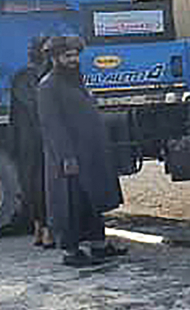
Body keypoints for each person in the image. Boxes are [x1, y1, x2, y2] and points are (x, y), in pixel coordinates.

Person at [38, 36, 126, 266]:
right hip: (68, 157)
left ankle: (99, 245)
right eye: (67, 56)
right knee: (71, 204)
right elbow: (52, 125)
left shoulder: (75, 81)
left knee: (91, 200)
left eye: (75, 55)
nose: (73, 60)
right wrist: (66, 157)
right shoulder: (48, 86)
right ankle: (71, 252)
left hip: (89, 154)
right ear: (55, 58)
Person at [12, 36, 51, 248]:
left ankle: (38, 227)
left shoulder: (19, 77)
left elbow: (16, 116)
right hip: (41, 138)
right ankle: (45, 230)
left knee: (31, 184)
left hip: (26, 139)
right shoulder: (47, 77)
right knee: (44, 184)